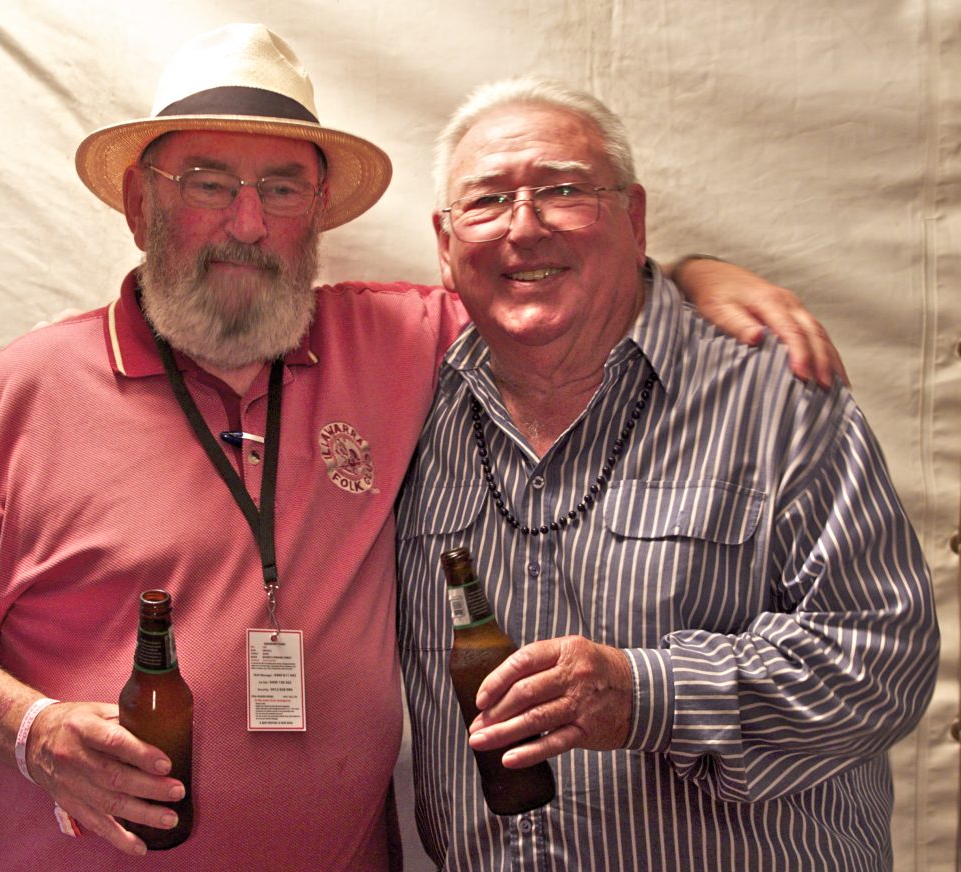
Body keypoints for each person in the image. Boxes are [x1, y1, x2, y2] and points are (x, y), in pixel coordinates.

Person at [0, 24, 843, 872]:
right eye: (208, 182)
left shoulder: (397, 340)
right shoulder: (26, 390)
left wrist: (685, 270)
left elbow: (544, 285)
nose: (247, 223)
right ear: (141, 205)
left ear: (317, 214)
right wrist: (32, 732)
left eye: (281, 189)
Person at [395, 77, 939, 871]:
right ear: (446, 245)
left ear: (634, 217)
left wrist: (650, 695)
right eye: (486, 203)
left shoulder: (774, 395)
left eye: (563, 191)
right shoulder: (407, 404)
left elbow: (884, 657)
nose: (524, 226)